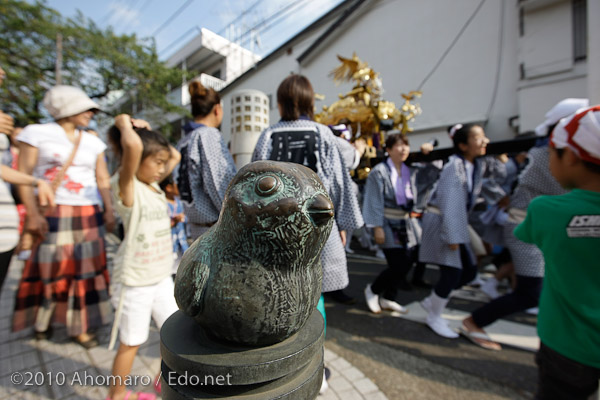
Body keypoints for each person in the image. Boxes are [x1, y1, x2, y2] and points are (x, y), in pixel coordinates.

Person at [252, 74, 364, 393]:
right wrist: (343, 224)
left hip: (276, 229)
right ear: (310, 101)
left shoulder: (268, 136)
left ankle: (281, 360)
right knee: (314, 294)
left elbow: (253, 181)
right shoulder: (323, 134)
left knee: (278, 292)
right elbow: (339, 183)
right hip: (317, 226)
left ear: (281, 103)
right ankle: (315, 362)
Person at [461, 98, 588, 350]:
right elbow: (569, 191)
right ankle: (474, 320)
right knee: (530, 291)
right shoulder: (548, 156)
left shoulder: (559, 155)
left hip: (542, 228)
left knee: (546, 285)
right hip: (527, 229)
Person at [12, 85, 115, 348]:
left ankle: (79, 326)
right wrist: (33, 215)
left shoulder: (93, 141)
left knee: (86, 271)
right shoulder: (36, 133)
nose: (91, 112)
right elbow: (24, 177)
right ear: (67, 108)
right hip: (53, 211)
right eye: (85, 108)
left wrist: (109, 210)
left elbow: (101, 178)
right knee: (51, 268)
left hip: (89, 211)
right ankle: (42, 322)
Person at [513, 105, 600, 399]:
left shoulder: (545, 211)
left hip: (566, 343)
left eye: (552, 152)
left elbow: (524, 233)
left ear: (572, 157)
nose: (547, 159)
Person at [106, 114, 181, 400]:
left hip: (161, 277)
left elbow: (174, 154)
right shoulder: (128, 187)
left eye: (163, 164)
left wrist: (150, 130)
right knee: (131, 343)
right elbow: (134, 150)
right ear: (134, 161)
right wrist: (125, 125)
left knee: (174, 333)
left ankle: (167, 380)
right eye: (157, 163)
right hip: (135, 282)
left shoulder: (153, 186)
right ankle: (117, 395)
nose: (163, 169)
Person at [418, 123, 489, 338]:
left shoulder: (474, 165)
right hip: (443, 221)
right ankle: (434, 316)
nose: (485, 141)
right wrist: (452, 235)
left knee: (468, 270)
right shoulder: (454, 166)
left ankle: (433, 301)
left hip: (454, 221)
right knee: (453, 271)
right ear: (463, 145)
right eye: (478, 137)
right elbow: (449, 202)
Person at [362, 133, 423, 314]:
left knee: (410, 259)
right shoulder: (379, 171)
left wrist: (428, 155)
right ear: (388, 150)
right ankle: (373, 290)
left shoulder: (409, 169)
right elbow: (373, 199)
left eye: (406, 145)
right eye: (398, 145)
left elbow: (429, 178)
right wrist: (377, 227)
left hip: (406, 221)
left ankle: (389, 297)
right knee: (398, 263)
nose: (403, 149)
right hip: (386, 221)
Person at [176, 81, 237, 240]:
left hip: (194, 228)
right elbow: (218, 182)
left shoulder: (183, 141)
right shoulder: (208, 135)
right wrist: (237, 217)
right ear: (217, 109)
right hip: (214, 230)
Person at [159, 174, 189, 279]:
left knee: (181, 269)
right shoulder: (162, 203)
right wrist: (172, 221)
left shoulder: (179, 202)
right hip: (169, 244)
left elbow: (187, 218)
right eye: (176, 185)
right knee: (169, 271)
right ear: (168, 188)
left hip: (181, 242)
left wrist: (182, 218)